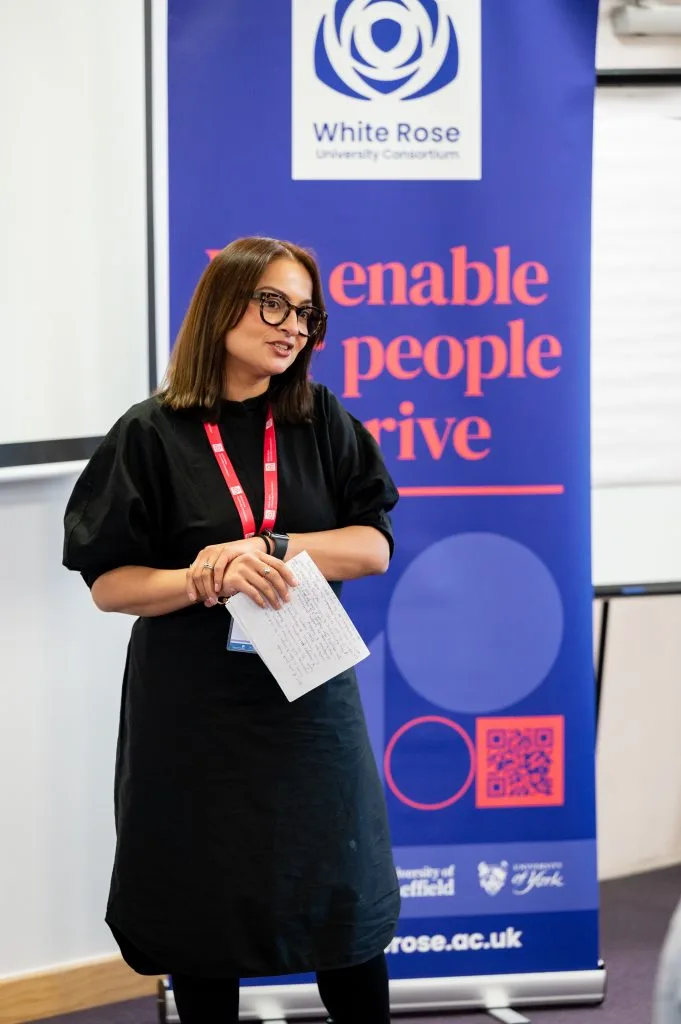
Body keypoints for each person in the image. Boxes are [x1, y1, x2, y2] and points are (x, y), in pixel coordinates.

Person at [62, 236, 400, 1024]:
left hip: (309, 705)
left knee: (343, 909)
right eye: (273, 304)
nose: (292, 328)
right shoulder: (150, 433)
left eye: (306, 314)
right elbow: (110, 585)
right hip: (195, 714)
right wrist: (202, 576)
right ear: (222, 307)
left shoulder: (320, 421)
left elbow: (372, 547)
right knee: (200, 914)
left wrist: (269, 546)